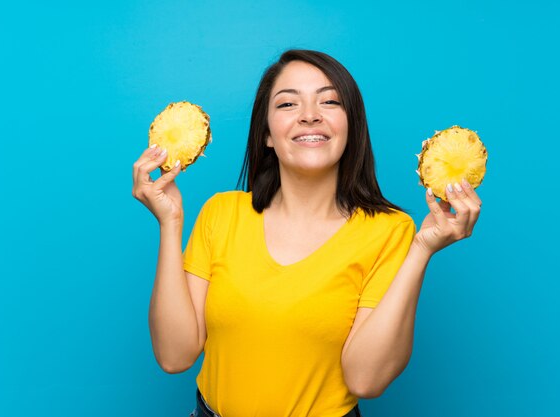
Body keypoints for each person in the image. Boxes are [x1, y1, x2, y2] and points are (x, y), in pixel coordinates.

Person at [132, 49, 482, 417]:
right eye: (287, 105)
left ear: (351, 126)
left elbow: (366, 381)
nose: (310, 115)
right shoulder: (222, 213)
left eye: (329, 101)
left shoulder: (390, 230)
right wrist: (170, 224)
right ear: (267, 134)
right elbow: (174, 356)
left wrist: (422, 250)